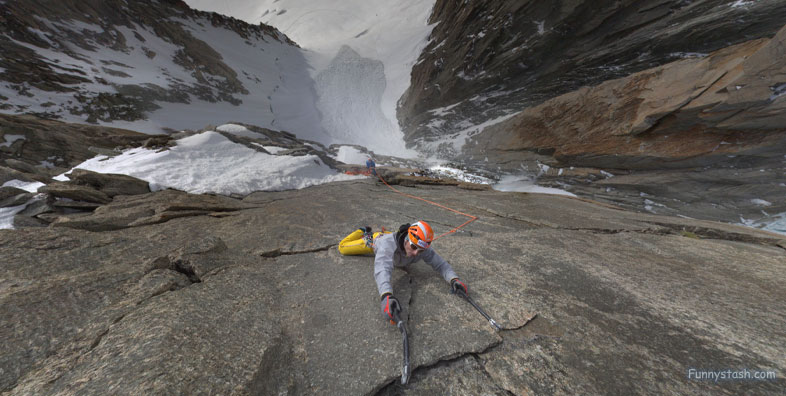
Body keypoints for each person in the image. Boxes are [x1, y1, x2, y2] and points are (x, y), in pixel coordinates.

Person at [338, 221, 468, 323]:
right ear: (406, 240)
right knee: (343, 248)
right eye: (413, 248)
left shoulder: (420, 246)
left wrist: (454, 279)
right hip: (375, 241)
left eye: (421, 251)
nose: (416, 253)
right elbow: (382, 269)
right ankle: (363, 231)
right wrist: (386, 295)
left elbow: (440, 264)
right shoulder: (386, 245)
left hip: (391, 236)